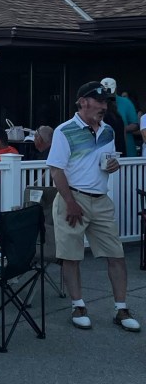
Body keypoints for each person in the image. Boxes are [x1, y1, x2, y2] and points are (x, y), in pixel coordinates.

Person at [47, 81, 140, 332]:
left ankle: (121, 308)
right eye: (99, 102)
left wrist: (114, 165)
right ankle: (78, 306)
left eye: (106, 102)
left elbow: (107, 160)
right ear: (83, 102)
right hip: (72, 199)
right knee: (71, 256)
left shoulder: (108, 130)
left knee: (116, 255)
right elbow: (56, 170)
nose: (104, 107)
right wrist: (70, 202)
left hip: (101, 199)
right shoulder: (64, 131)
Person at [101, 77, 139, 157]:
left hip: (125, 148)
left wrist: (120, 128)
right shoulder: (97, 103)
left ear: (115, 89)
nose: (108, 93)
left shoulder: (125, 102)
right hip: (103, 150)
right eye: (105, 91)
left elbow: (136, 125)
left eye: (110, 90)